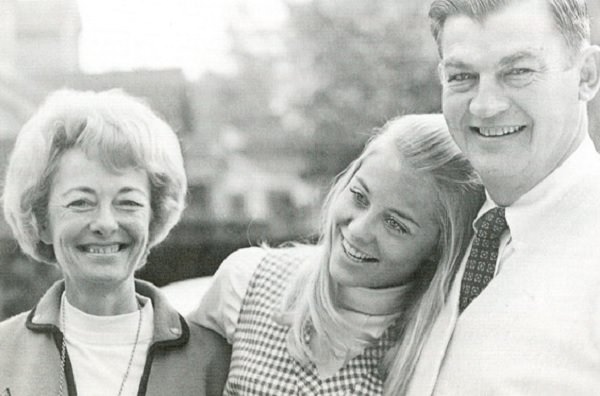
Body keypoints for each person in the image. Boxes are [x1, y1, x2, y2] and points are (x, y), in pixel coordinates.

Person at [188, 114, 484, 395]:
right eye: (359, 196)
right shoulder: (245, 282)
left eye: (395, 224)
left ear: (438, 249)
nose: (357, 230)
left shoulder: (440, 348)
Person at [396, 0, 600, 395]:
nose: (485, 105)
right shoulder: (450, 224)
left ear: (587, 76)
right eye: (461, 76)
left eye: (518, 71)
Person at [0, 89, 230, 396]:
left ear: (154, 216)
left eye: (128, 203)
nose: (106, 224)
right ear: (42, 222)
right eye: (81, 202)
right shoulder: (5, 355)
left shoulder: (213, 360)